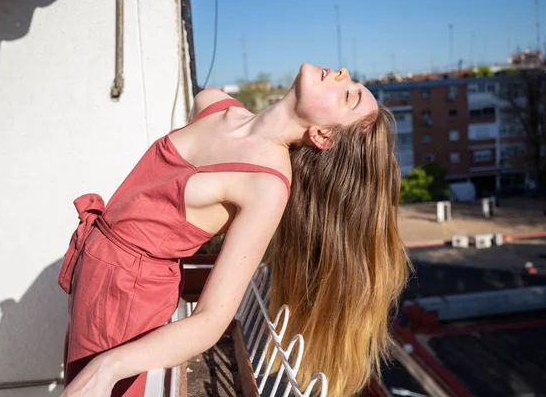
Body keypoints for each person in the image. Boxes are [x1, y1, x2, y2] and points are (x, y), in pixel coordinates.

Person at [59, 63, 409, 397]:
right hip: (95, 276)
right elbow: (203, 97)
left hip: (127, 302)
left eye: (348, 95)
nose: (343, 75)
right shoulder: (217, 106)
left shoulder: (267, 185)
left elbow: (212, 320)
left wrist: (109, 367)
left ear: (320, 135)